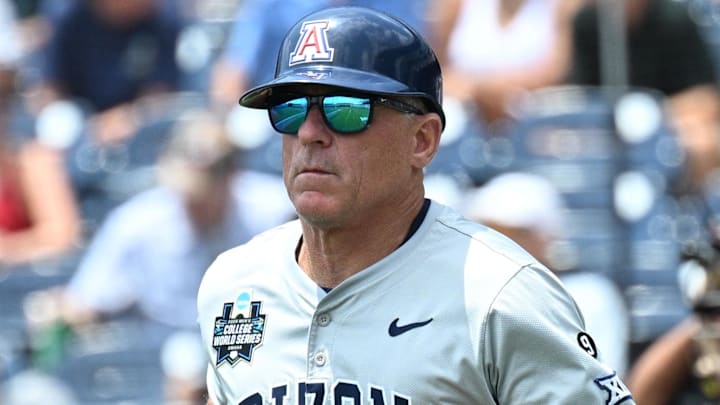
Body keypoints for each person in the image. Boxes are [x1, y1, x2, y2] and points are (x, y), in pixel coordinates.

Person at [196, 6, 635, 404]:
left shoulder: (501, 296)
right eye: (290, 110)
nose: (310, 132)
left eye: (347, 109)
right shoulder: (233, 285)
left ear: (422, 141)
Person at [464, 171, 631, 377]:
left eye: (514, 233)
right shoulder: (467, 294)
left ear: (546, 237)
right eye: (487, 230)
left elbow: (595, 383)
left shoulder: (588, 297)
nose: (495, 242)